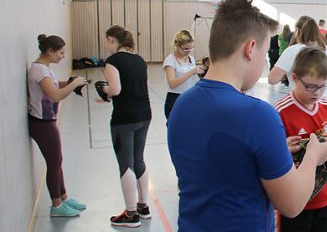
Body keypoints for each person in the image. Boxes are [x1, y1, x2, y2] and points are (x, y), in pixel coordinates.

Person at [167, 0, 327, 231]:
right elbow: (292, 204)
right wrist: (313, 155)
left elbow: (220, 164)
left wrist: (274, 151)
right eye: (265, 54)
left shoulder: (181, 105)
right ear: (250, 49)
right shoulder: (258, 116)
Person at [274, 47, 327, 232]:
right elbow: (272, 160)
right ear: (294, 78)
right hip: (293, 202)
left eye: (322, 86)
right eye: (310, 86)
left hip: (322, 198)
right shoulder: (280, 112)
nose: (317, 93)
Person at [97, 25, 153, 227]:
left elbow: (116, 89)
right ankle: (143, 206)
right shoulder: (139, 60)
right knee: (139, 159)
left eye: (106, 40)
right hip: (144, 114)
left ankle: (130, 214)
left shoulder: (113, 61)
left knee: (125, 164)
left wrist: (103, 89)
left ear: (112, 40)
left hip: (124, 118)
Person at [28, 34, 88, 217]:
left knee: (57, 160)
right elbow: (55, 95)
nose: (63, 56)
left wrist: (69, 82)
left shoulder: (45, 68)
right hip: (42, 123)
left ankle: (64, 197)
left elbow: (53, 86)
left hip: (48, 121)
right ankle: (56, 205)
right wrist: (74, 84)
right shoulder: (39, 70)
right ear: (50, 51)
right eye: (60, 53)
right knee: (54, 163)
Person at [268, 18, 327, 98]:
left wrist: (286, 74)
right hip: (323, 100)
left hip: (299, 101)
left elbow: (272, 79)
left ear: (298, 31)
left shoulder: (291, 51)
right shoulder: (326, 49)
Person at [163, 30, 204, 119]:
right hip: (175, 99)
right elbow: (172, 83)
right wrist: (192, 72)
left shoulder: (191, 59)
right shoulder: (170, 61)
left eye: (191, 48)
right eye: (186, 49)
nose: (189, 51)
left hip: (190, 98)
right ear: (177, 46)